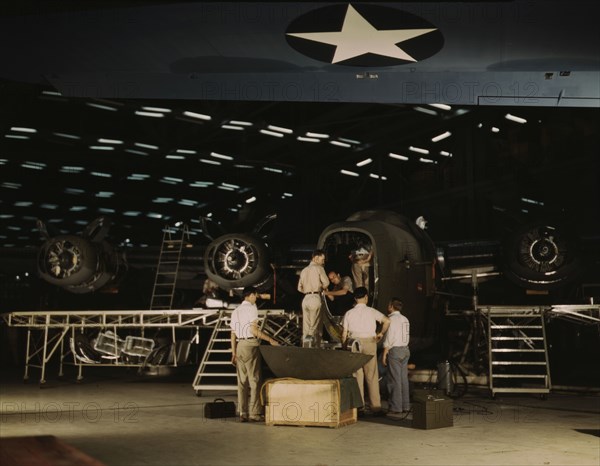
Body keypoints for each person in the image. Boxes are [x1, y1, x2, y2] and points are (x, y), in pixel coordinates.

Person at [230, 286, 279, 422]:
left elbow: (233, 334)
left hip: (239, 346)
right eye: (255, 295)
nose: (256, 298)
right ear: (251, 295)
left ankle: (242, 412)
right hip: (250, 345)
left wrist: (233, 352)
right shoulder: (252, 308)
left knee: (241, 382)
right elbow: (254, 330)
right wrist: (271, 340)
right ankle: (254, 413)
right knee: (255, 380)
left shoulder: (236, 311)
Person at [341, 287, 390, 415]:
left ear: (355, 299)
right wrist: (380, 334)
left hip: (354, 343)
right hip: (369, 342)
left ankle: (359, 407)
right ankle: (376, 406)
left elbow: (344, 334)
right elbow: (387, 321)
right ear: (366, 297)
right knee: (372, 374)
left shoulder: (349, 313)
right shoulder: (372, 311)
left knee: (357, 375)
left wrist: (345, 346)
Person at [382, 298, 411, 418]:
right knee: (403, 379)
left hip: (395, 350)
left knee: (394, 379)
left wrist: (384, 353)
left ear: (391, 306)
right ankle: (405, 406)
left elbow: (389, 337)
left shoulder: (390, 320)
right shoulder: (405, 319)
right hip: (405, 350)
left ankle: (395, 407)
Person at [297, 249, 330, 347]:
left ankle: (305, 347)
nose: (323, 262)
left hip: (305, 298)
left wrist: (308, 291)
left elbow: (299, 288)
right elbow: (326, 282)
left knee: (306, 327)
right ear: (316, 258)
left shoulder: (304, 270)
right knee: (314, 326)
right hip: (315, 297)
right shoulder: (318, 268)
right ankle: (313, 347)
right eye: (322, 259)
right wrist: (319, 288)